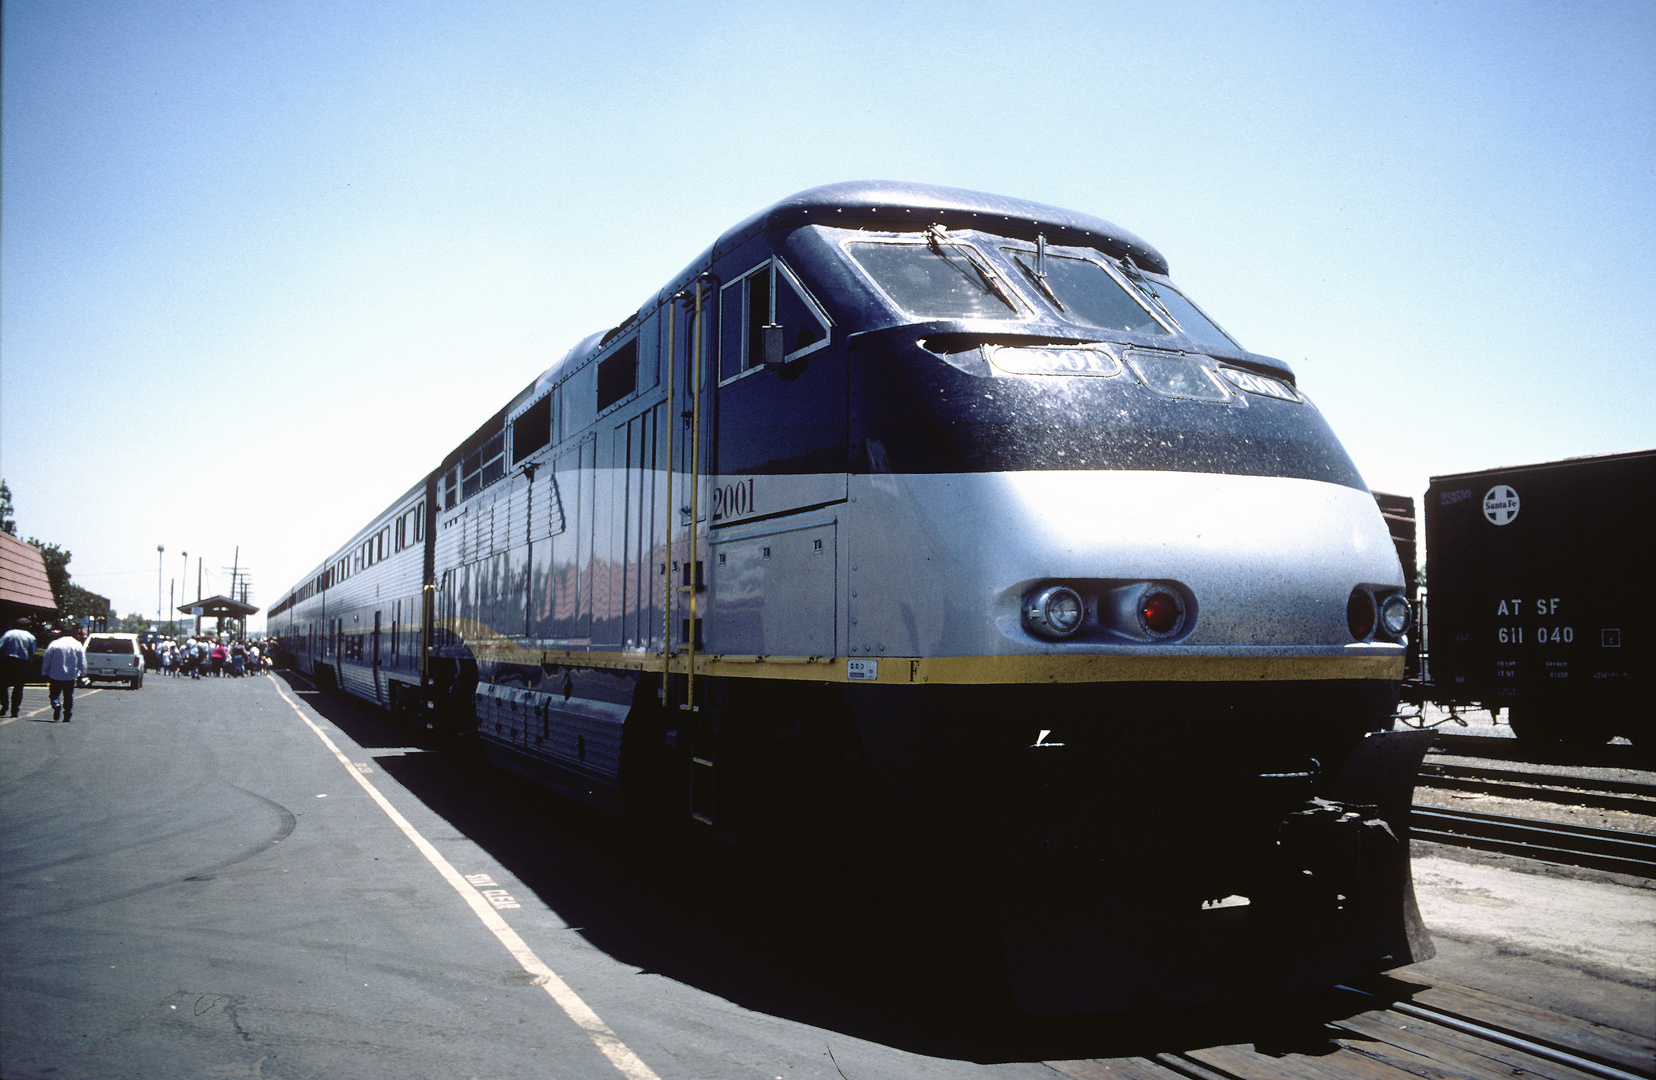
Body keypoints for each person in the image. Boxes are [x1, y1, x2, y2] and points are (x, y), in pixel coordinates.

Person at [42, 629, 86, 723]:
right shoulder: (77, 644)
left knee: (54, 693)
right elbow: (82, 661)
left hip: (55, 674)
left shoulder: (54, 644)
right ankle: (67, 713)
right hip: (70, 675)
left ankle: (56, 704)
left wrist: (44, 671)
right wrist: (82, 674)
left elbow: (47, 658)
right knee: (68, 695)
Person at [1, 618, 37, 718]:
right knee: (18, 687)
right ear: (27, 626)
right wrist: (30, 664)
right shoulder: (30, 637)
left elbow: (1, 647)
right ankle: (14, 710)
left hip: (7, 661)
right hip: (21, 663)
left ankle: (4, 706)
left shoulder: (8, 634)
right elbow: (32, 653)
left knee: (3, 685)